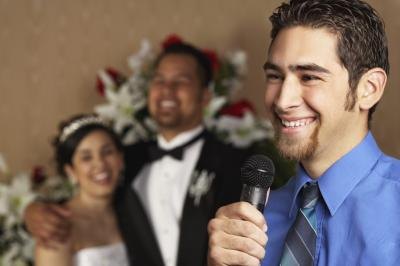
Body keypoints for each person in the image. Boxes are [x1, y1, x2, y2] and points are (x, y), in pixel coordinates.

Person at [207, 0, 400, 265]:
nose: (282, 101)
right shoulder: (251, 225)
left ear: (369, 88)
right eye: (275, 76)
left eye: (309, 77)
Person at [26, 42, 249, 266]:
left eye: (181, 81)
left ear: (205, 96)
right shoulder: (126, 159)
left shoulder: (236, 164)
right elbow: (84, 202)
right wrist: (31, 212)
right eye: (159, 80)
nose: (166, 90)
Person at [34, 114, 129, 266]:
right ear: (71, 171)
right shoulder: (57, 227)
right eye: (86, 158)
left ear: (120, 159)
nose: (100, 164)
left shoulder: (132, 213)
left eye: (107, 152)